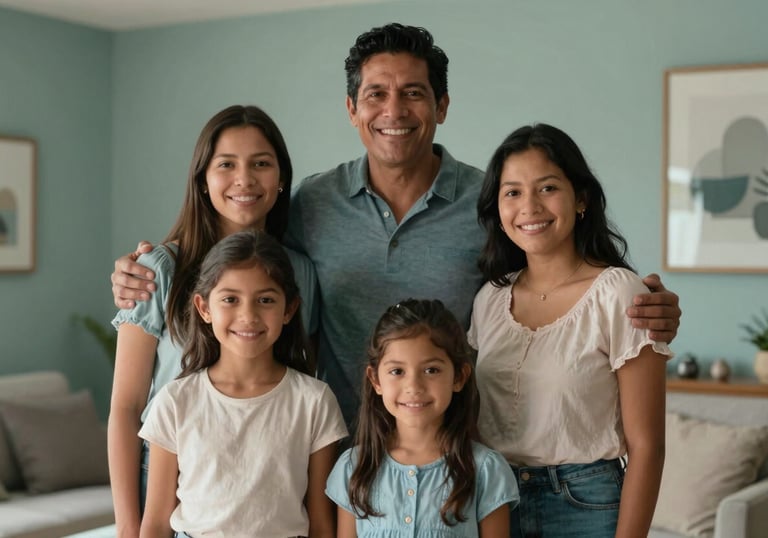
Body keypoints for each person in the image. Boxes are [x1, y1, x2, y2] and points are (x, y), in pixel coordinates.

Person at [109, 23, 681, 432]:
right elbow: (246, 269)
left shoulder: (490, 203)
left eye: (414, 93)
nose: (395, 110)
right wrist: (152, 266)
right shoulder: (313, 201)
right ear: (352, 109)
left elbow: (551, 277)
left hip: (449, 452)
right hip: (332, 449)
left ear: (443, 105)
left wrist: (640, 302)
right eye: (376, 94)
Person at [108, 105, 319, 538]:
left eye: (261, 163)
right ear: (203, 179)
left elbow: (301, 381)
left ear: (281, 180)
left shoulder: (300, 272)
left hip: (269, 486)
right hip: (170, 484)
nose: (244, 179)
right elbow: (125, 408)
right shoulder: (158, 269)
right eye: (226, 164)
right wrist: (129, 529)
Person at [470, 123, 671, 537]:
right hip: (493, 501)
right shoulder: (489, 298)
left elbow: (648, 447)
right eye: (512, 192)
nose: (529, 207)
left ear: (580, 199)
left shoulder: (619, 293)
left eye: (547, 188)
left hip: (586, 504)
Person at [139, 230, 347, 537]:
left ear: (289, 309)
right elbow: (156, 524)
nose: (248, 315)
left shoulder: (314, 401)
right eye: (230, 299)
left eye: (265, 300)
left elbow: (321, 523)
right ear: (204, 308)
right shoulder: (175, 401)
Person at [326, 298, 519, 537]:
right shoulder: (353, 468)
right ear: (375, 380)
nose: (413, 386)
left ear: (459, 377)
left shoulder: (485, 469)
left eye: (431, 370)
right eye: (397, 371)